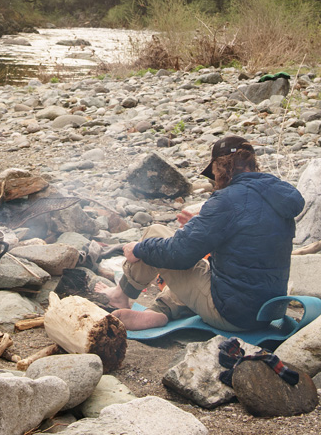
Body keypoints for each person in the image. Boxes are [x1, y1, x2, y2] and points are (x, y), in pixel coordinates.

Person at [98, 136, 305, 331]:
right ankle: (162, 310)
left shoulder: (227, 199)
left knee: (155, 234)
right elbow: (246, 245)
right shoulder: (277, 196)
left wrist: (139, 248)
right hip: (268, 310)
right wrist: (200, 226)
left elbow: (179, 254)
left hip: (233, 315)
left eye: (214, 173)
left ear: (221, 166)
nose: (214, 179)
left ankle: (120, 294)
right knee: (207, 267)